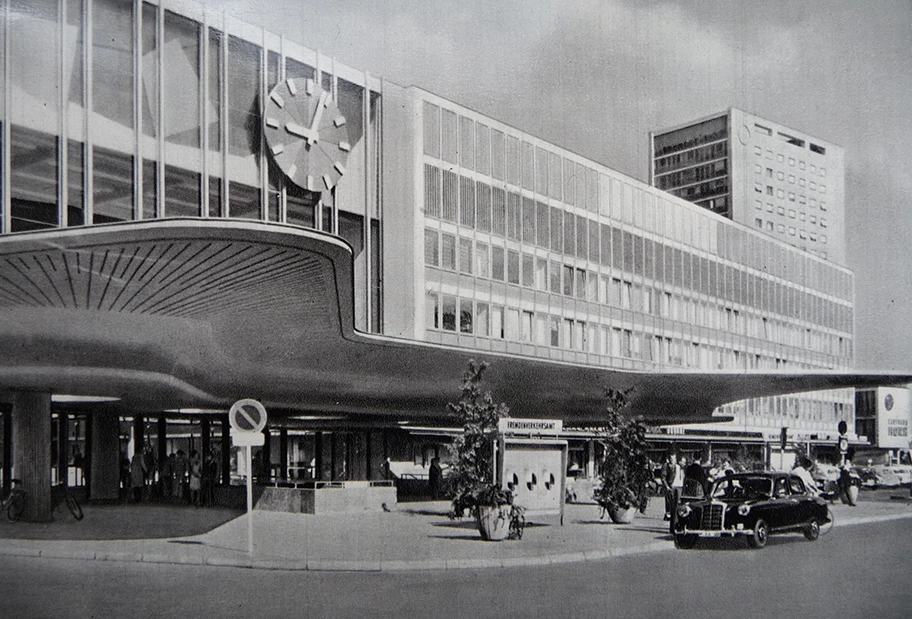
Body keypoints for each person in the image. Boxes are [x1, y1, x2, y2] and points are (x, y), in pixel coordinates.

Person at [662, 453, 683, 521]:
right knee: (669, 501)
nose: (672, 460)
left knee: (676, 502)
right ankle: (668, 515)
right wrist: (667, 486)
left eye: (674, 459)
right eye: (671, 459)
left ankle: (674, 516)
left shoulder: (678, 467)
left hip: (678, 486)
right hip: (670, 486)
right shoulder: (666, 466)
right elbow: (663, 477)